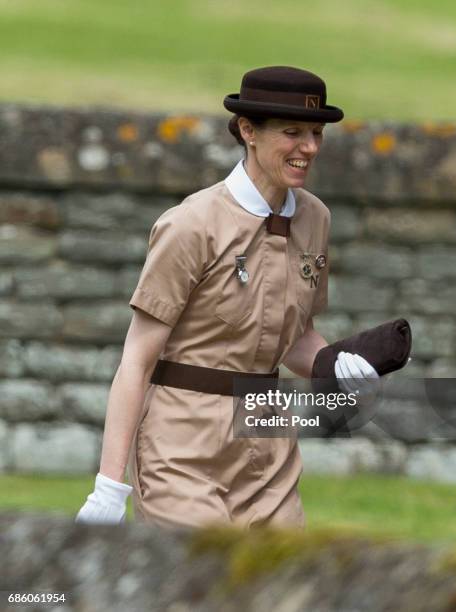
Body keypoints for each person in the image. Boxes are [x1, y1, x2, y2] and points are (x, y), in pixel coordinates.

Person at [76, 66, 379, 529]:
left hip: (268, 435)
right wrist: (109, 485)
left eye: (317, 133)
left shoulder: (316, 218)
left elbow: (295, 337)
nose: (310, 148)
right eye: (293, 132)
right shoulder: (190, 225)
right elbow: (136, 359)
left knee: (282, 592)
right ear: (247, 131)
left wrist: (336, 366)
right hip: (182, 443)